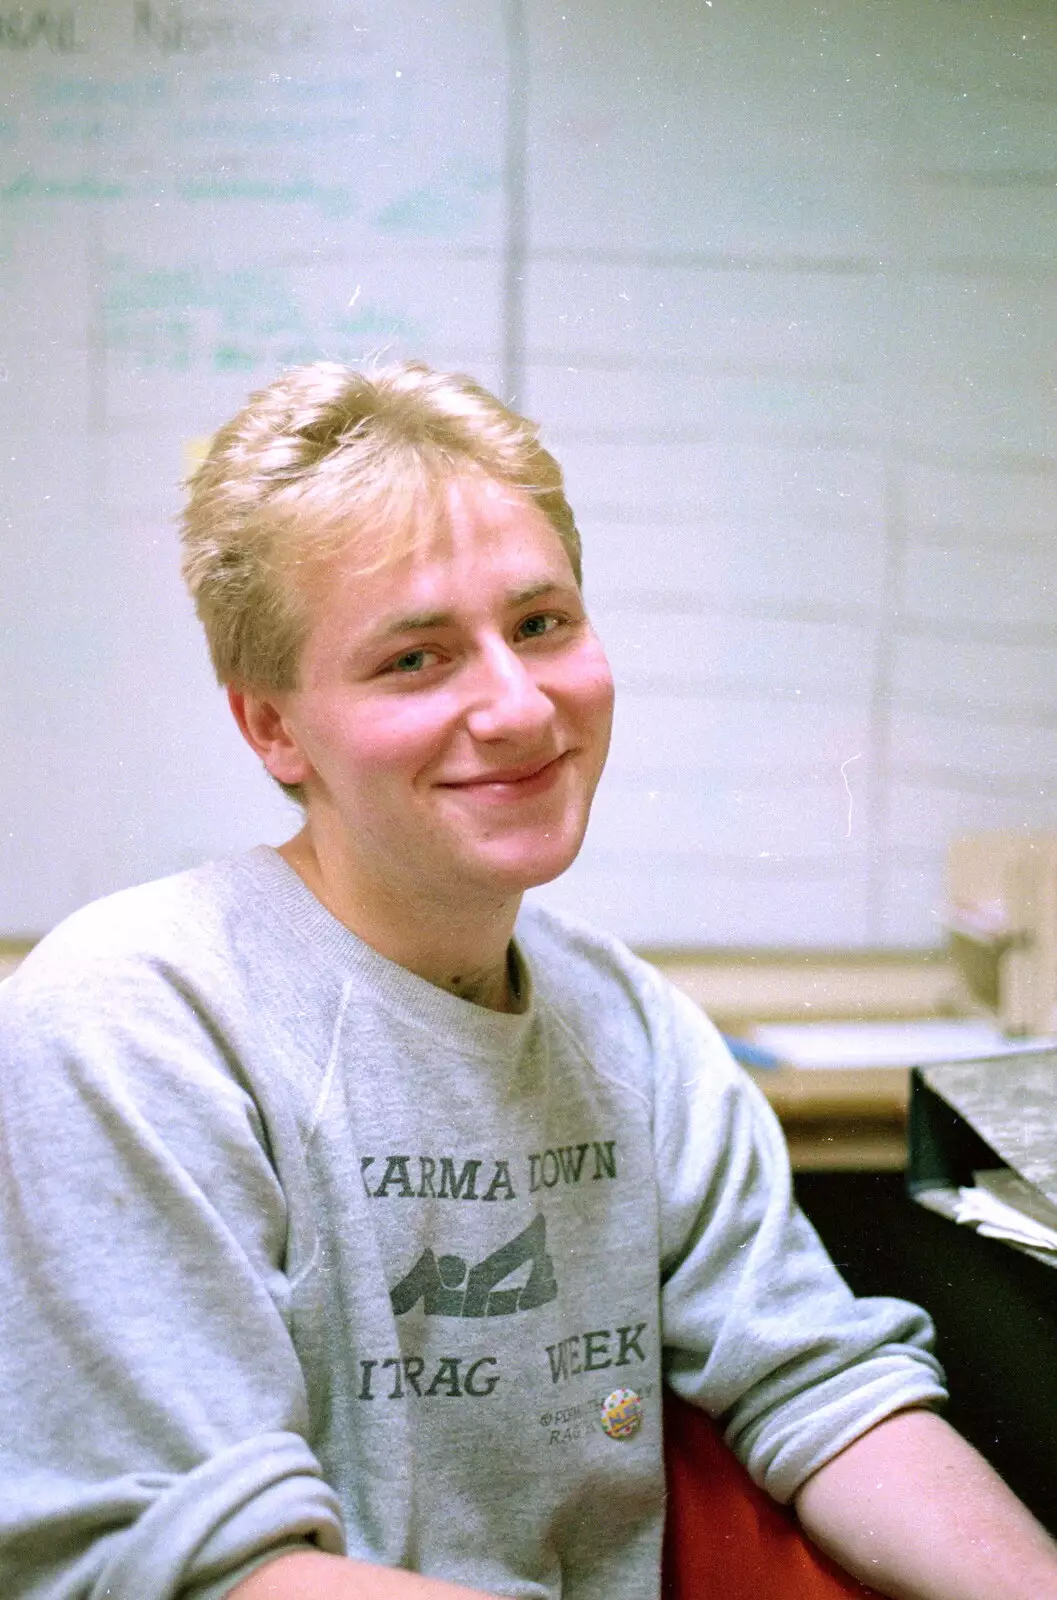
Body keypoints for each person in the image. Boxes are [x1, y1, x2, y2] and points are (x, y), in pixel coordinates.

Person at [1, 361, 1054, 1600]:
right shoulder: (136, 1015)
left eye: (542, 624)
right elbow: (209, 1569)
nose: (517, 705)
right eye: (415, 658)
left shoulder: (629, 1023)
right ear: (273, 728)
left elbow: (819, 1383)